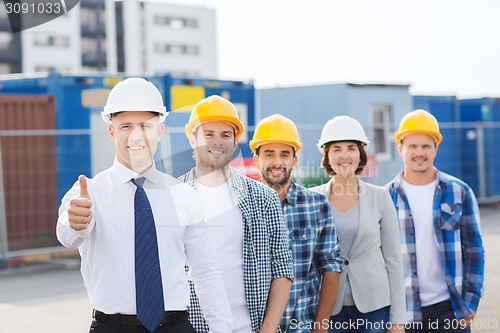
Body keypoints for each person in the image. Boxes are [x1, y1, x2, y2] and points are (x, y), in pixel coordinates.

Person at [56, 78, 232, 333]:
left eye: (145, 125)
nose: (136, 135)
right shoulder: (89, 193)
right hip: (113, 327)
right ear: (112, 131)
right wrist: (74, 223)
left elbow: (206, 272)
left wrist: (222, 329)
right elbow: (68, 235)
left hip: (175, 326)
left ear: (159, 131)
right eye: (126, 125)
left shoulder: (184, 196)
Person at [179, 95, 294, 333]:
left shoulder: (264, 198)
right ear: (192, 139)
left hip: (249, 327)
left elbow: (282, 269)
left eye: (225, 135)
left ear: (235, 141)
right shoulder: (172, 199)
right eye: (208, 134)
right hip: (191, 327)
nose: (217, 142)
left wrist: (268, 330)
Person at [387, 109, 485, 333]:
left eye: (425, 146)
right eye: (412, 146)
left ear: (436, 148)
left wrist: (471, 301)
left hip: (450, 309)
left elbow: (474, 250)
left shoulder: (459, 192)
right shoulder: (385, 198)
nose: (419, 153)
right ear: (400, 148)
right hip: (405, 312)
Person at [310, 116, 407, 333]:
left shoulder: (380, 197)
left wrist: (398, 320)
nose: (344, 156)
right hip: (328, 310)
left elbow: (394, 261)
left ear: (361, 154)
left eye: (351, 148)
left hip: (374, 308)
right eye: (336, 149)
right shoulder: (313, 199)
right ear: (327, 155)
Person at [250, 114, 343, 333]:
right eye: (269, 154)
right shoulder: (241, 204)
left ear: (294, 160)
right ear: (256, 160)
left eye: (284, 154)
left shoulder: (317, 205)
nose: (277, 162)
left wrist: (320, 328)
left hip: (301, 326)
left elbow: (331, 267)